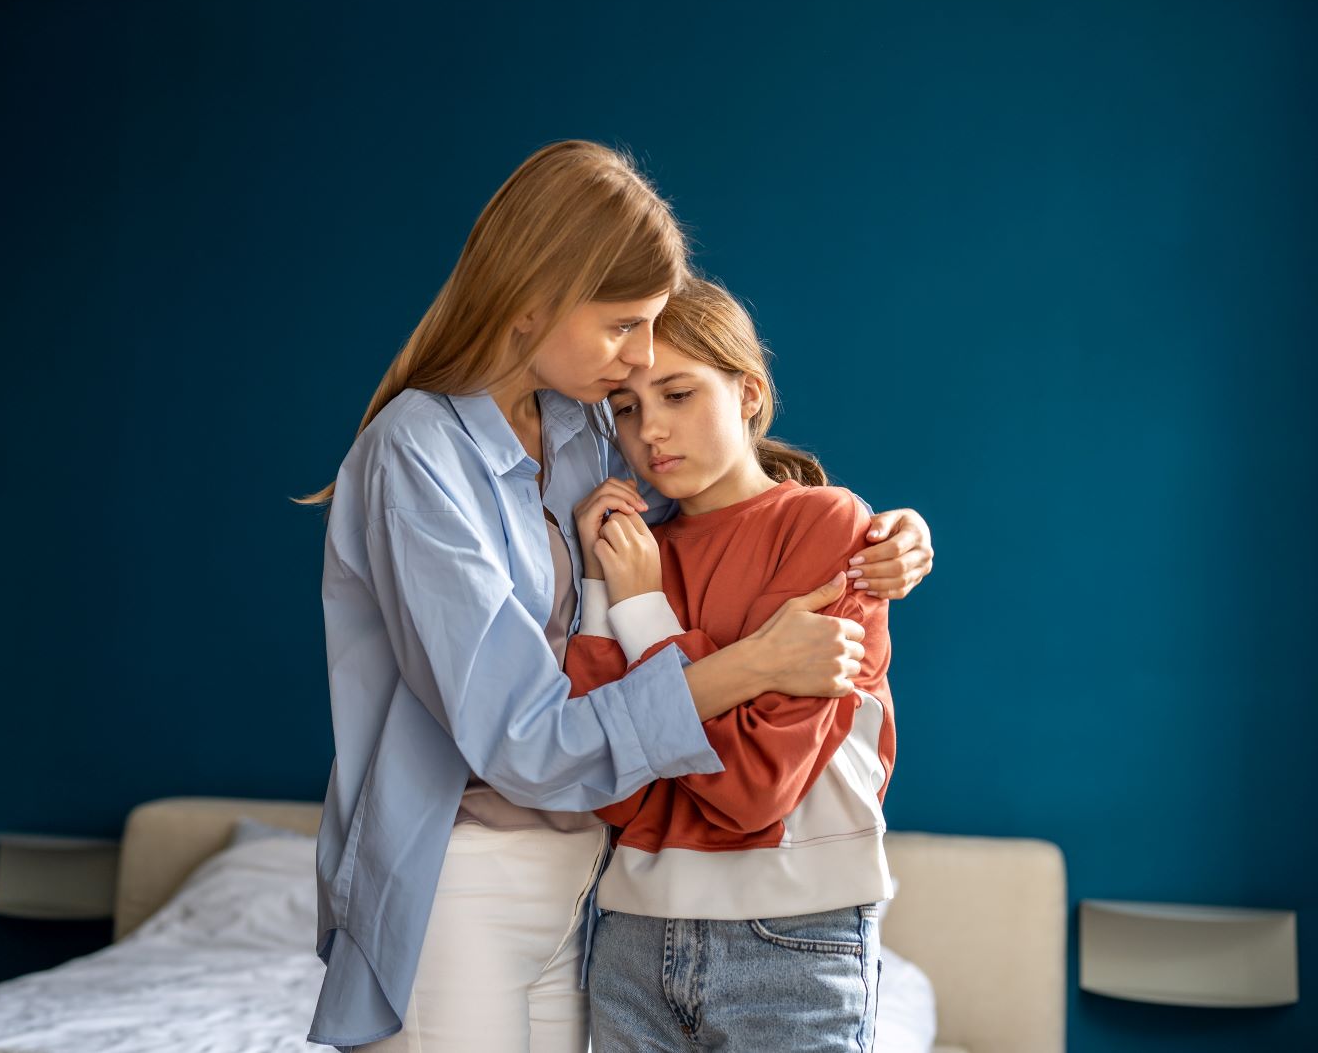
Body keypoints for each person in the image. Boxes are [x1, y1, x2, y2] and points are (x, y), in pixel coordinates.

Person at [300, 140, 935, 1052]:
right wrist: (751, 665)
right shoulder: (419, 455)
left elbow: (731, 489)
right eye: (622, 326)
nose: (637, 366)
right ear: (534, 300)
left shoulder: (586, 421)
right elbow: (524, 737)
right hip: (466, 875)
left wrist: (888, 533)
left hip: (597, 886)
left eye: (650, 337)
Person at [564, 279, 893, 1051]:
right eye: (627, 406)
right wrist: (595, 580)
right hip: (629, 944)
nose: (652, 431)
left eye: (678, 393)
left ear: (749, 392)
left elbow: (752, 790)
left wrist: (644, 614)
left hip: (793, 944)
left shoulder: (828, 525)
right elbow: (603, 784)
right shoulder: (631, 551)